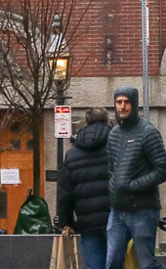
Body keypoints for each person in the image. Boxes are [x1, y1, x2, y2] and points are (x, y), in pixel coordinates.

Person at [104, 85, 166, 269]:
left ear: (134, 104)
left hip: (143, 209)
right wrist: (114, 188)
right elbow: (111, 169)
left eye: (126, 102)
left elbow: (163, 169)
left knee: (147, 264)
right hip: (117, 210)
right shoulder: (113, 135)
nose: (122, 106)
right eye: (119, 102)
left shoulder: (148, 133)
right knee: (111, 263)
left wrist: (133, 185)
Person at [57, 107, 114, 269]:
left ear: (86, 122)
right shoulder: (117, 147)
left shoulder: (72, 155)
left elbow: (65, 192)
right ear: (106, 121)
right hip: (115, 218)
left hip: (87, 222)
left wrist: (66, 221)